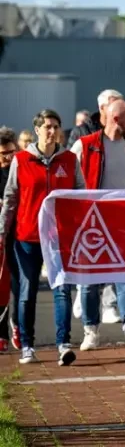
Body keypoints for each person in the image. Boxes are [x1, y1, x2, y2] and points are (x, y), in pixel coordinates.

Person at [0, 110, 84, 365]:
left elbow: (81, 193)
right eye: (47, 126)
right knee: (27, 291)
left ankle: (64, 344)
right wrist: (2, 231)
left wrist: (77, 226)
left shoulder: (69, 160)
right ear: (36, 130)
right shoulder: (22, 160)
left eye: (56, 126)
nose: (52, 131)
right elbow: (11, 197)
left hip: (59, 236)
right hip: (27, 237)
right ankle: (27, 345)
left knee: (62, 289)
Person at [71, 100, 125, 350]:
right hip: (90, 220)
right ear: (117, 119)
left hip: (122, 218)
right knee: (89, 278)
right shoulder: (85, 146)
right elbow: (72, 180)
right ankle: (90, 330)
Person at [0, 127, 18, 352]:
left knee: (20, 285)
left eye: (11, 152)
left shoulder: (18, 168)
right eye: (3, 154)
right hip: (1, 235)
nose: (8, 158)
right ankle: (1, 332)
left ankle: (18, 324)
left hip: (18, 233)